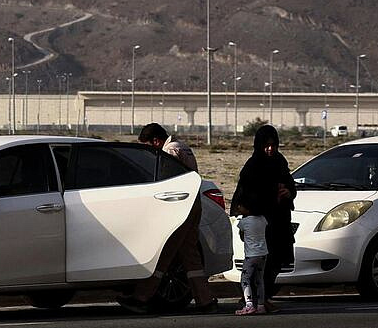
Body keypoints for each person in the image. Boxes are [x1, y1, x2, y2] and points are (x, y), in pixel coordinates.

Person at [121, 123, 217, 312]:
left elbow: (167, 180)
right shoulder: (182, 147)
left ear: (156, 141)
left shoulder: (170, 151)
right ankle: (205, 301)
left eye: (148, 146)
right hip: (191, 203)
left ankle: (142, 298)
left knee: (163, 251)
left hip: (179, 207)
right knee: (190, 256)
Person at [231, 123, 296, 310]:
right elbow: (248, 195)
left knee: (275, 261)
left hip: (278, 221)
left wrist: (288, 191)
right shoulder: (253, 166)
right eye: (266, 145)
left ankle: (263, 298)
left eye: (273, 145)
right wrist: (270, 194)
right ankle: (251, 299)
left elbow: (289, 183)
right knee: (258, 262)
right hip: (260, 222)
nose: (270, 149)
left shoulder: (279, 162)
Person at [232, 204, 270, 315]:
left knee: (245, 279)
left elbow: (242, 237)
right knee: (259, 280)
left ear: (248, 209)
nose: (239, 208)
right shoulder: (263, 219)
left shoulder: (244, 222)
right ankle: (261, 305)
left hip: (251, 255)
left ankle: (249, 304)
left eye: (241, 206)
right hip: (263, 253)